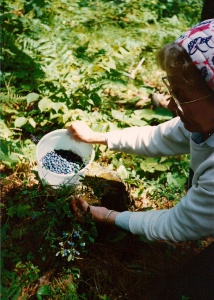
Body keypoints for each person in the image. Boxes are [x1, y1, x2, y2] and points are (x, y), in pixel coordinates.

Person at [69, 19, 214, 243]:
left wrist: (108, 216)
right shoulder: (202, 123)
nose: (171, 106)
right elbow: (159, 137)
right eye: (171, 91)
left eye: (182, 97)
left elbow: (177, 224)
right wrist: (97, 137)